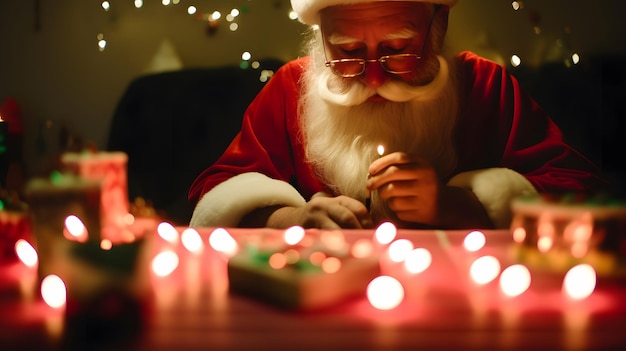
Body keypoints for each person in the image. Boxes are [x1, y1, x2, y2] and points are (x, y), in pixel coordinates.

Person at [188, 0, 606, 230]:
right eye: (348, 52)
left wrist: (459, 205)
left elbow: (584, 193)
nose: (372, 78)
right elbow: (215, 191)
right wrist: (290, 218)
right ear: (321, 37)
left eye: (398, 48)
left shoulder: (485, 85)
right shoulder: (289, 87)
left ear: (439, 23)